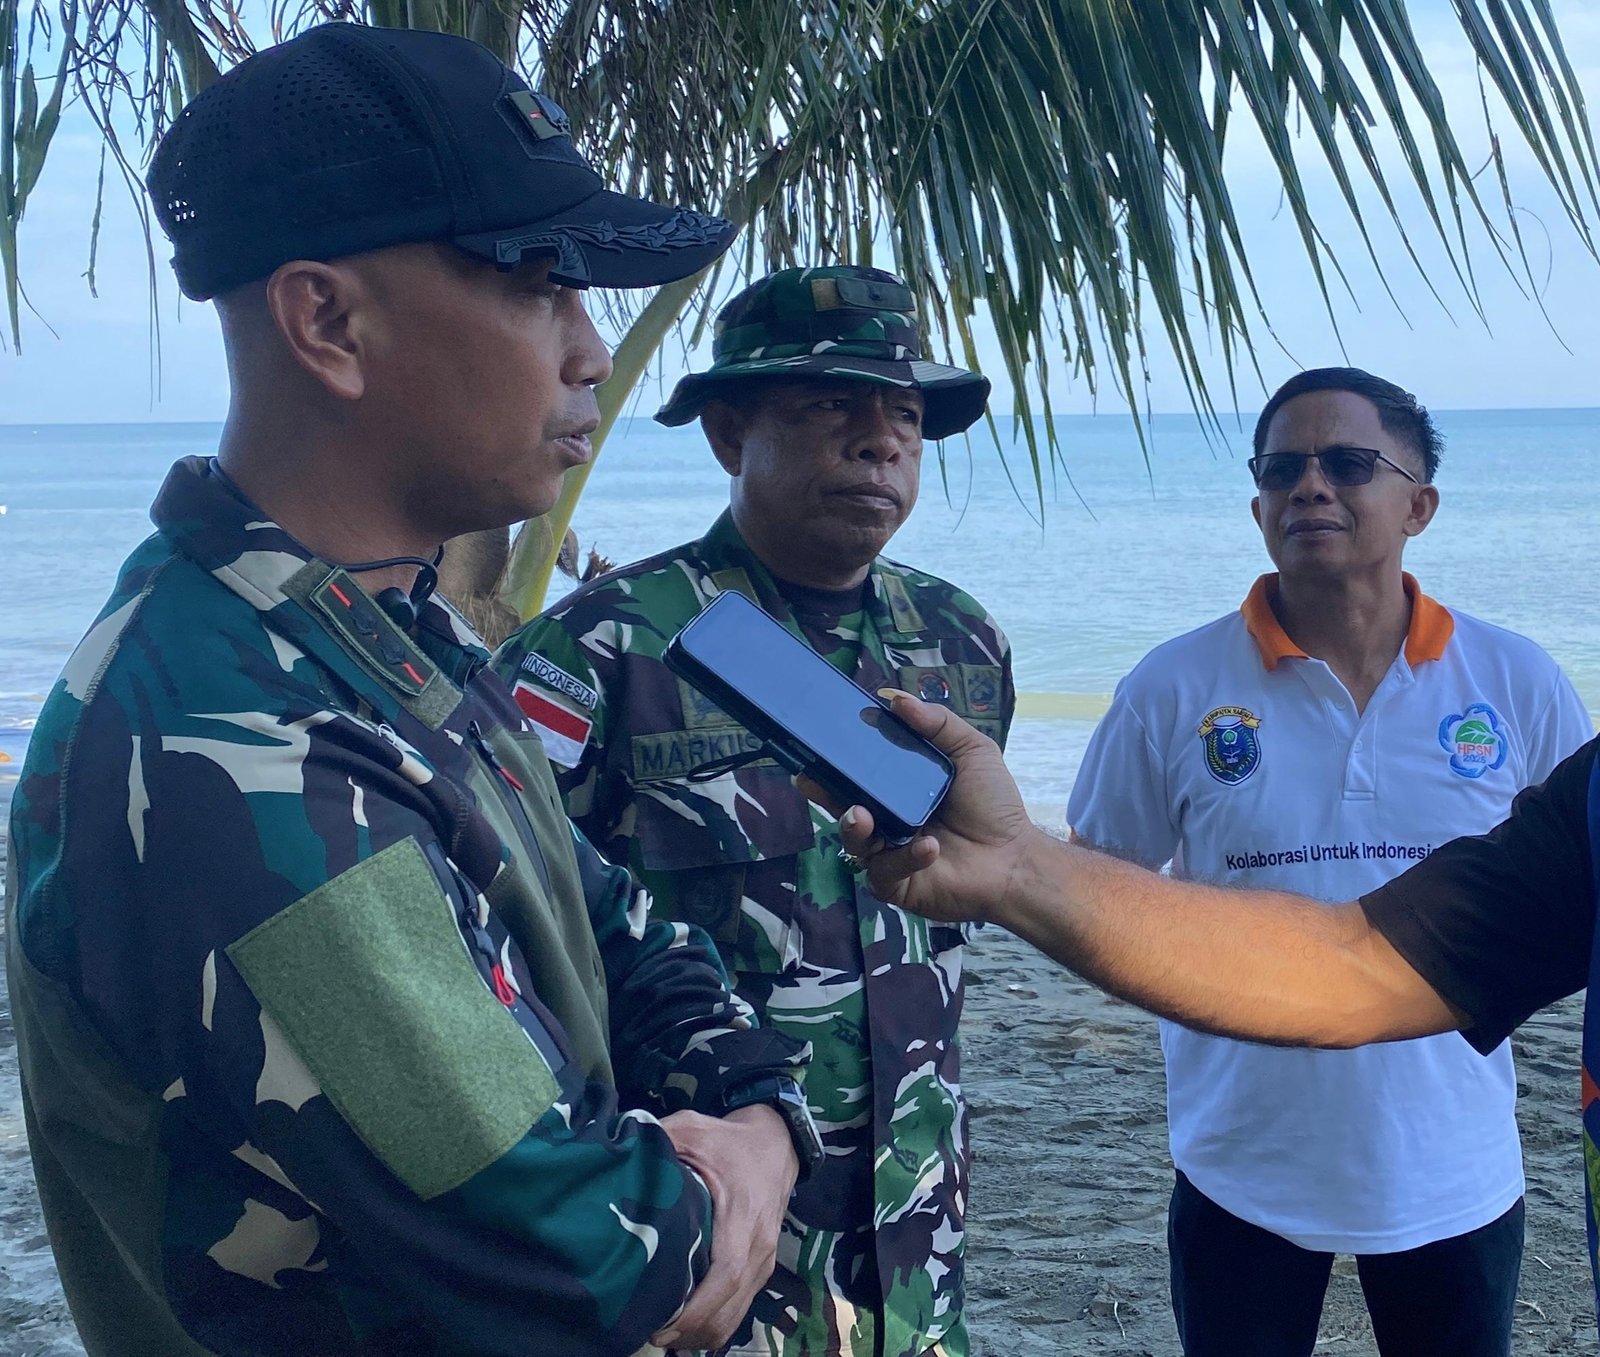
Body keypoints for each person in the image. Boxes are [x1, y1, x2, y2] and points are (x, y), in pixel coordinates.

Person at [3, 23, 818, 1357]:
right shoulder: (230, 739)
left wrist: (756, 1118)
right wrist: (740, 1161)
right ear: (328, 320)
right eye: (540, 280)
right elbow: (583, 1260)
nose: (593, 351)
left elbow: (627, 935)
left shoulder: (386, 635)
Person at [495, 264, 1013, 1357]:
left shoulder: (961, 642)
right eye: (833, 404)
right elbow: (508, 943)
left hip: (910, 1217)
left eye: (907, 414)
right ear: (729, 434)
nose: (881, 439)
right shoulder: (599, 649)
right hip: (704, 1220)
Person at [1066, 367, 1591, 1356]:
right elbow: (1097, 888)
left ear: (1419, 504)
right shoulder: (1171, 686)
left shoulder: (1514, 680)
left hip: (1456, 1169)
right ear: (1258, 502)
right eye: (1282, 468)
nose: (1310, 486)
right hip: (1239, 1165)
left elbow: (1574, 885)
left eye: (1348, 463)